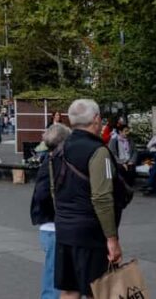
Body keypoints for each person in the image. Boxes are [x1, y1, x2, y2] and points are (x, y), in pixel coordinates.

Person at [51, 99, 124, 298]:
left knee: (70, 290)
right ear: (96, 119)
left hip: (65, 229)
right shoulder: (99, 151)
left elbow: (53, 190)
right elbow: (102, 197)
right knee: (98, 290)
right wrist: (112, 238)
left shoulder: (59, 149)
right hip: (90, 232)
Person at [30, 122, 71, 299]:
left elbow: (39, 194)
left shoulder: (50, 160)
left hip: (51, 225)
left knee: (56, 275)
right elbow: (42, 194)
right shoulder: (55, 162)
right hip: (54, 225)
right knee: (55, 276)